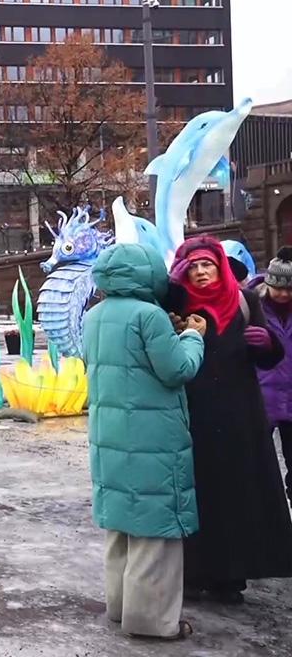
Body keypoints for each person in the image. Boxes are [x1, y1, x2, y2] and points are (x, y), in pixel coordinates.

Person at [82, 243, 205, 640]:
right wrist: (193, 337)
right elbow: (177, 369)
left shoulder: (94, 315)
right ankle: (153, 622)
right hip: (152, 436)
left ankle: (120, 608)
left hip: (110, 435)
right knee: (156, 532)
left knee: (120, 526)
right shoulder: (149, 315)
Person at [169, 236, 292, 604]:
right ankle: (193, 573)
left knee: (236, 491)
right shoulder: (180, 304)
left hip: (240, 410)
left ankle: (231, 575)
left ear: (220, 266)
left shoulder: (245, 300)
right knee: (197, 490)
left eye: (207, 264)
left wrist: (269, 345)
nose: (201, 272)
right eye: (193, 266)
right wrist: (173, 288)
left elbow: (268, 357)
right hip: (192, 409)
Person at [248, 246, 292, 502]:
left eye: (290, 288)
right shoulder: (252, 307)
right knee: (257, 464)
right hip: (261, 397)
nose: (285, 294)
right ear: (269, 282)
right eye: (280, 287)